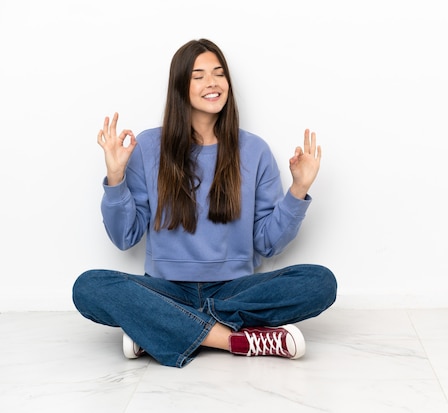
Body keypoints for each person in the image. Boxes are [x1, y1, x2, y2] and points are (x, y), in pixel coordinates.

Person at [72, 38, 337, 368]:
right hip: (166, 289)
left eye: (219, 73)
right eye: (198, 76)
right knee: (89, 287)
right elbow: (124, 238)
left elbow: (268, 244)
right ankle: (233, 339)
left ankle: (160, 327)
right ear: (180, 87)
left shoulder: (254, 151)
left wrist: (298, 189)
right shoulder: (148, 147)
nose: (212, 83)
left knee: (319, 282)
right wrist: (115, 178)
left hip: (233, 291)